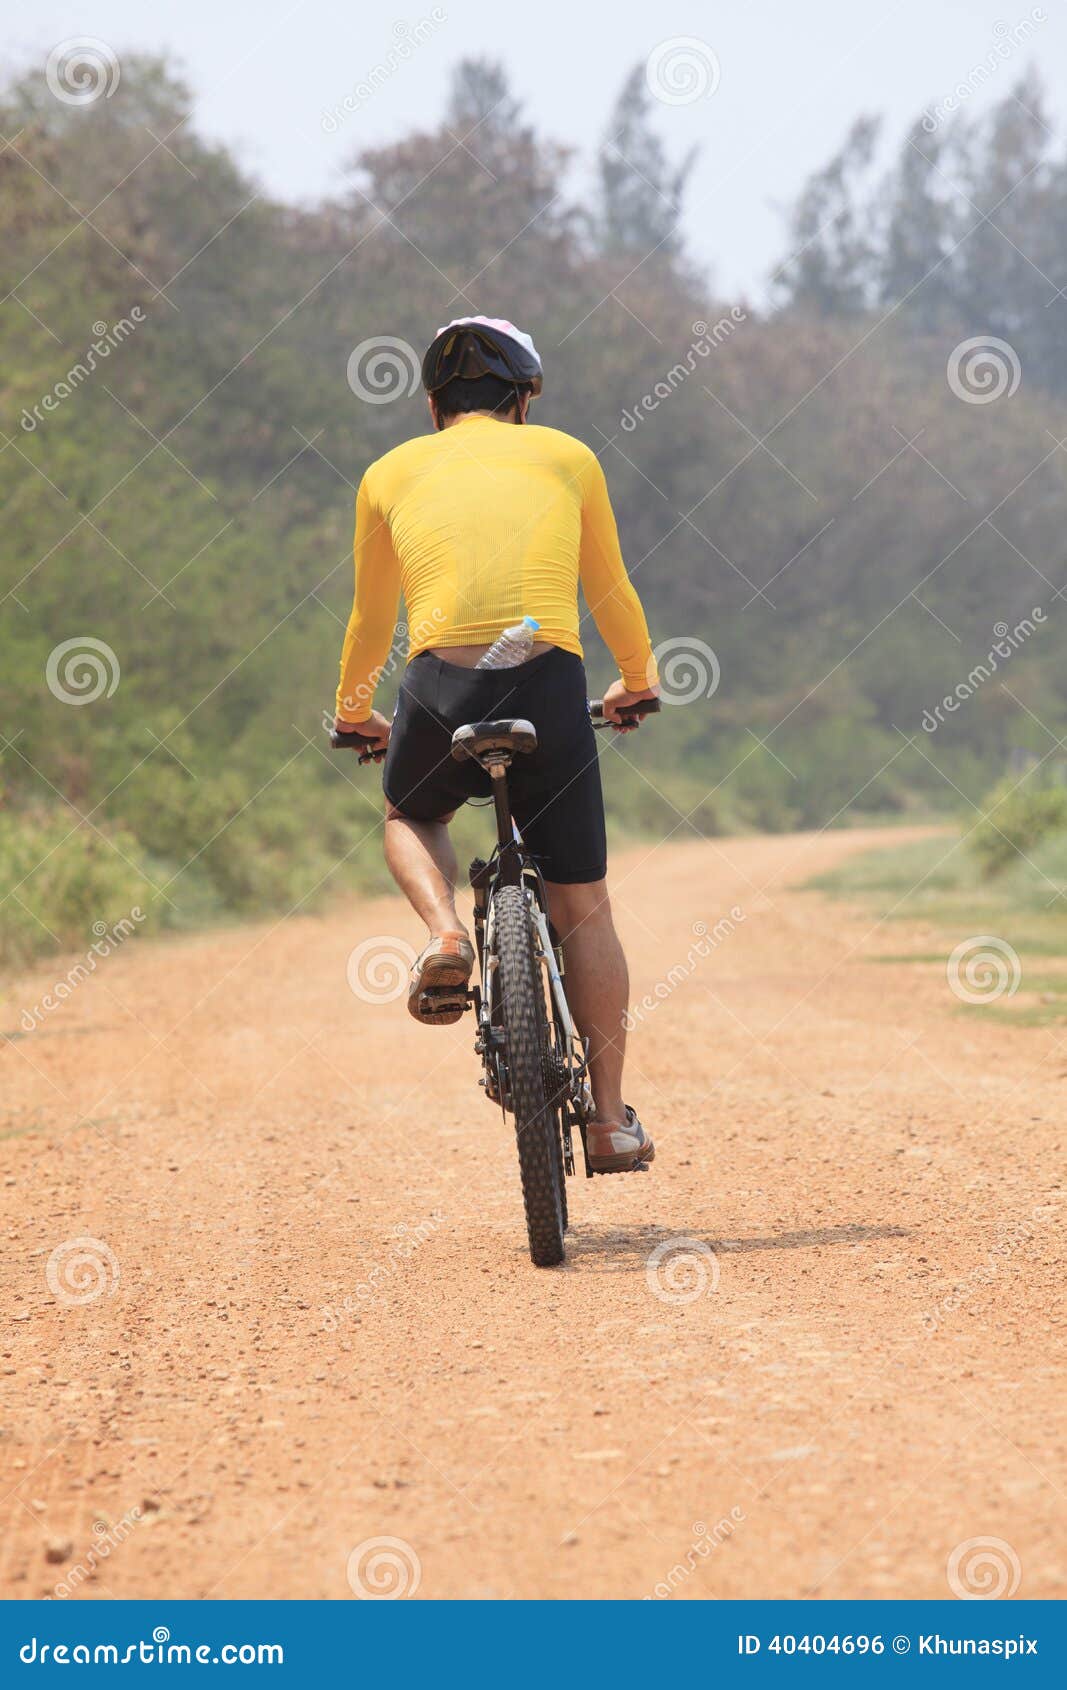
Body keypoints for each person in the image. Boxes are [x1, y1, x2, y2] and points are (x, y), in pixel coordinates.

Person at [334, 315, 659, 1173]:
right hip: (549, 686)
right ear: (524, 399)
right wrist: (637, 680)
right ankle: (607, 1121)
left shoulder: (386, 473)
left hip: (438, 689)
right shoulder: (568, 457)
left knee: (408, 814)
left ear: (435, 404)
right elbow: (609, 586)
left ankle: (445, 935)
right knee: (581, 902)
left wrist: (353, 710)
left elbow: (372, 618)